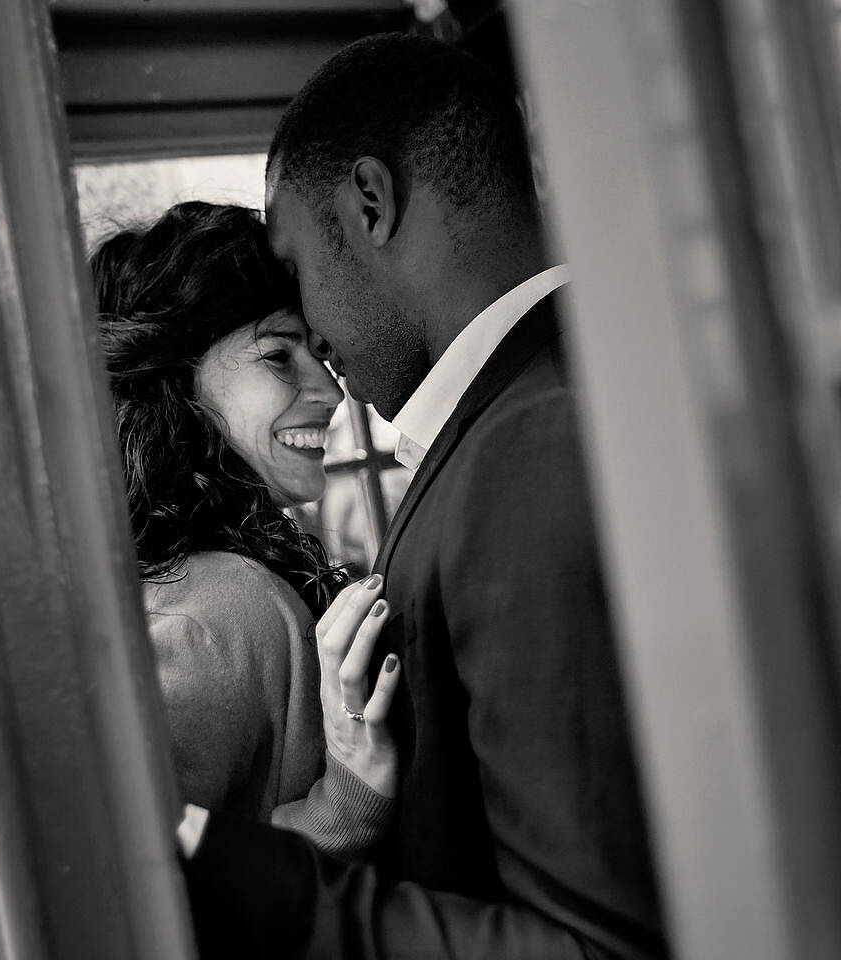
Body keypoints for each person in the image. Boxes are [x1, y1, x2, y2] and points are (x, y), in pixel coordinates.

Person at [181, 34, 667, 960]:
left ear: (371, 203)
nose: (312, 334)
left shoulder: (526, 446)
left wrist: (245, 882)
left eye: (295, 267)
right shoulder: (574, 378)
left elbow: (593, 945)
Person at [92, 201, 402, 859]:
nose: (331, 392)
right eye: (279, 355)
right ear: (177, 382)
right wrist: (347, 804)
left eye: (319, 352)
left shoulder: (184, 582)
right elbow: (141, 877)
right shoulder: (216, 613)